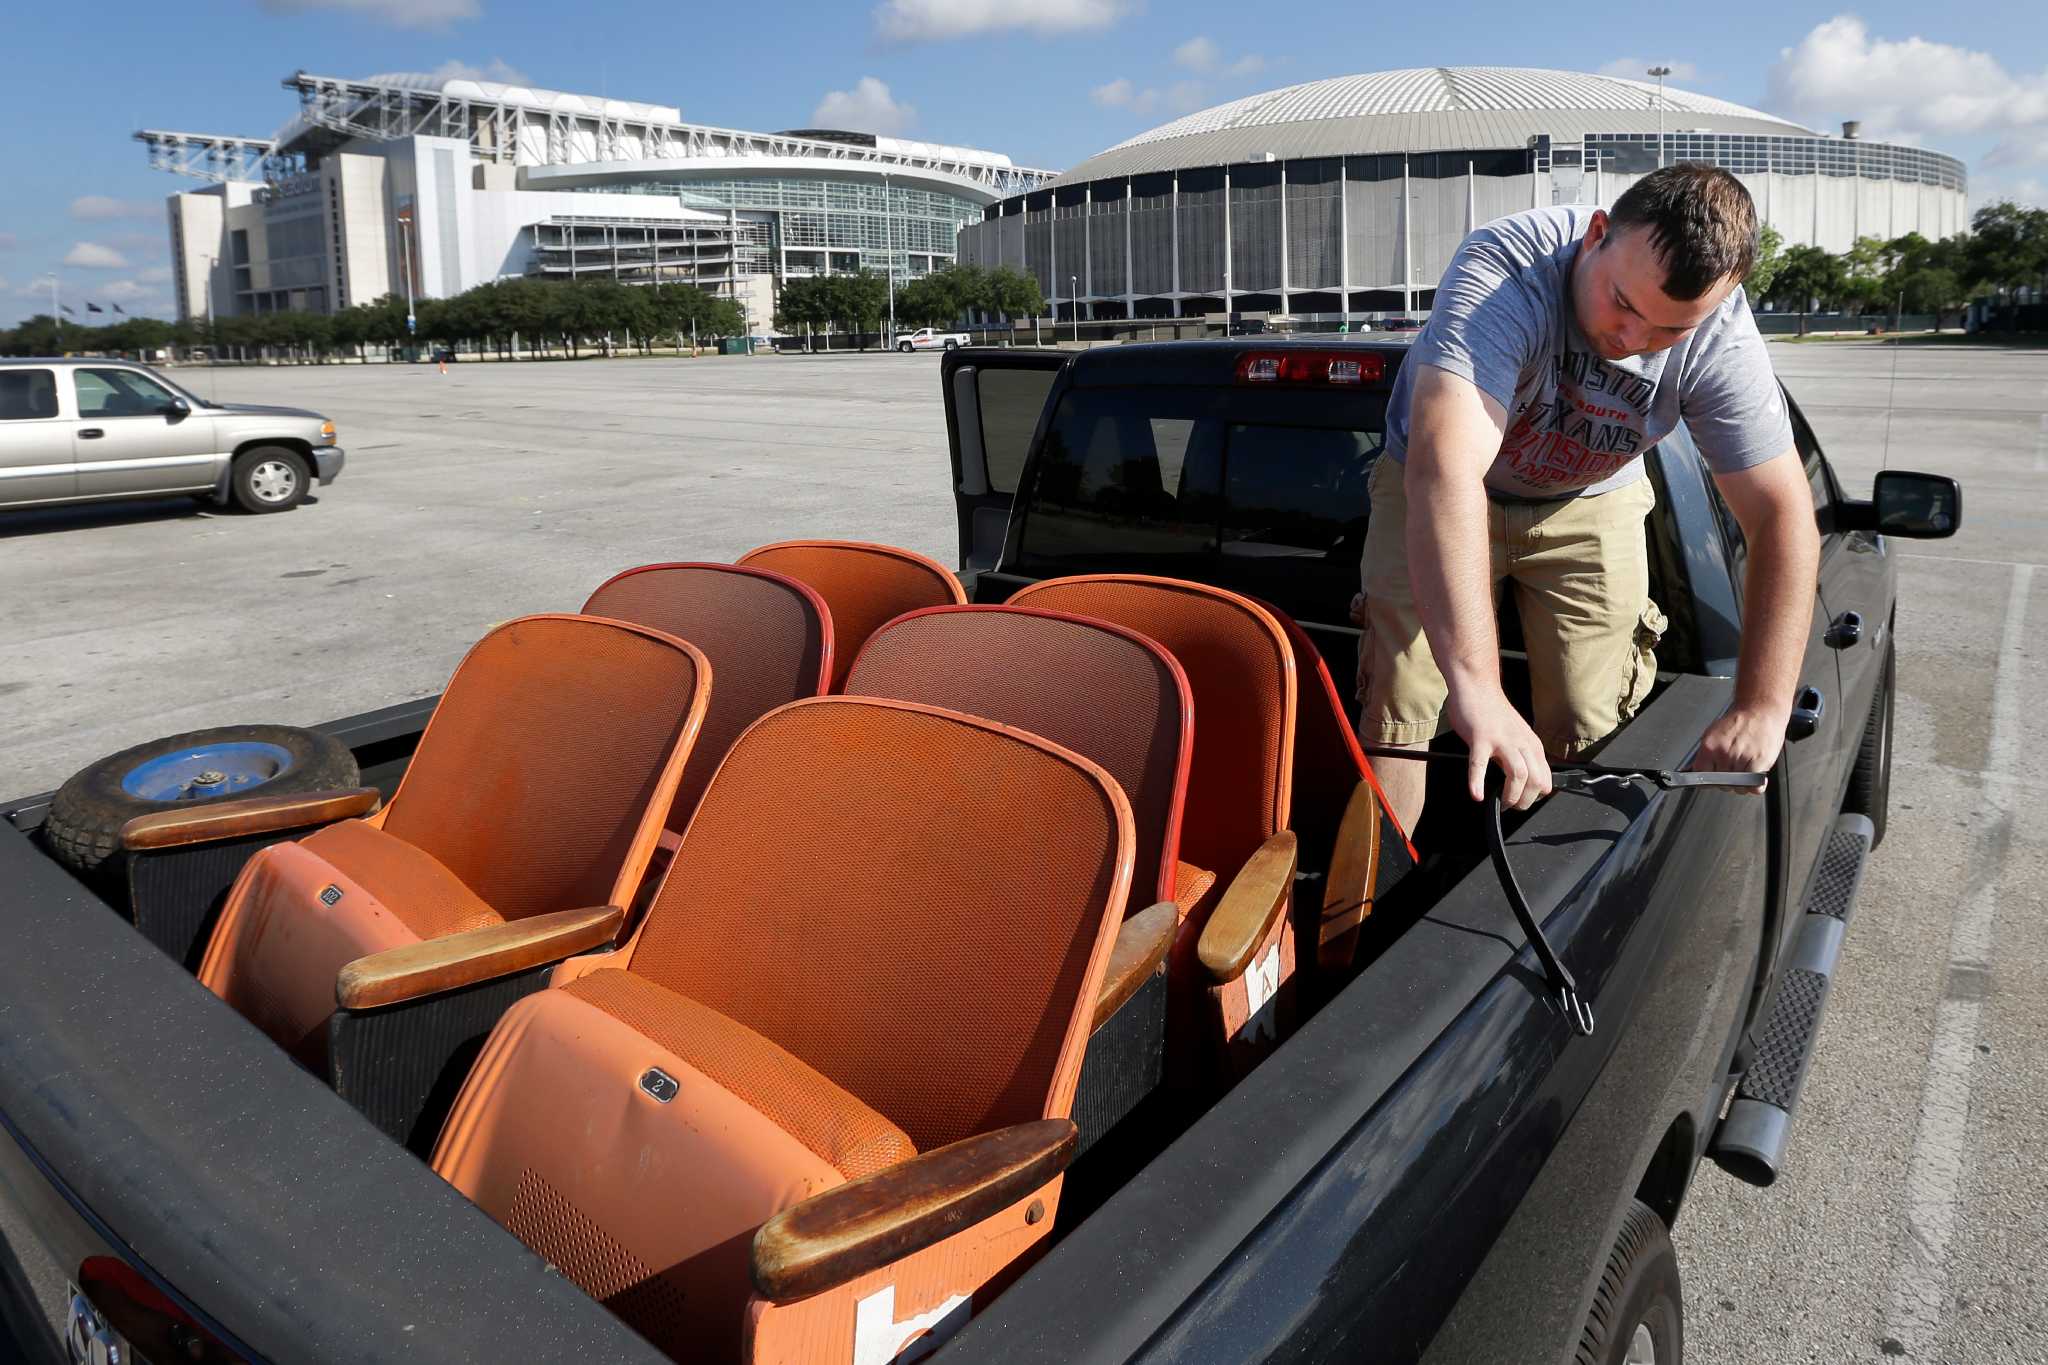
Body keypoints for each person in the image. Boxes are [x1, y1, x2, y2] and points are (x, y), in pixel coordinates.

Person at [1356, 164, 1819, 838]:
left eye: (1669, 332)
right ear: (1597, 234)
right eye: (1623, 304)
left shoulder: (1722, 337)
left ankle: (1567, 901)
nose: (1633, 342)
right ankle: (1361, 923)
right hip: (1439, 487)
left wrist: (1764, 706)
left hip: (1592, 496)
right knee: (1399, 713)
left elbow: (1781, 514)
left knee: (1592, 719)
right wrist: (1479, 688)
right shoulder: (1505, 271)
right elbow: (1444, 471)